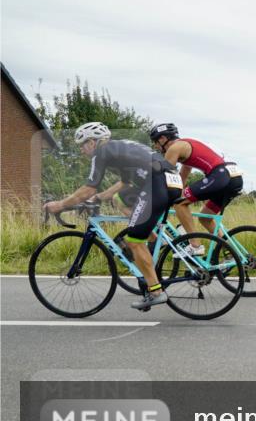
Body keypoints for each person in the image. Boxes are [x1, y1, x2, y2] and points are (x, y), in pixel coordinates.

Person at [42, 122, 183, 309]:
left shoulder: (101, 153)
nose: (82, 150)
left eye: (82, 145)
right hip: (171, 182)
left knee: (133, 240)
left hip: (156, 184)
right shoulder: (119, 148)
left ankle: (155, 291)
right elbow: (124, 183)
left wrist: (59, 205)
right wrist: (99, 197)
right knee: (121, 200)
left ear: (92, 142)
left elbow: (88, 187)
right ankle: (152, 238)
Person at [148, 123, 244, 254]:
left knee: (179, 203)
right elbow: (180, 179)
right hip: (234, 177)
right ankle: (232, 253)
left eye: (155, 142)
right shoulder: (186, 145)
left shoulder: (174, 148)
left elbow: (165, 178)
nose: (155, 146)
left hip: (220, 175)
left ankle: (195, 245)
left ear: (163, 139)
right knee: (205, 218)